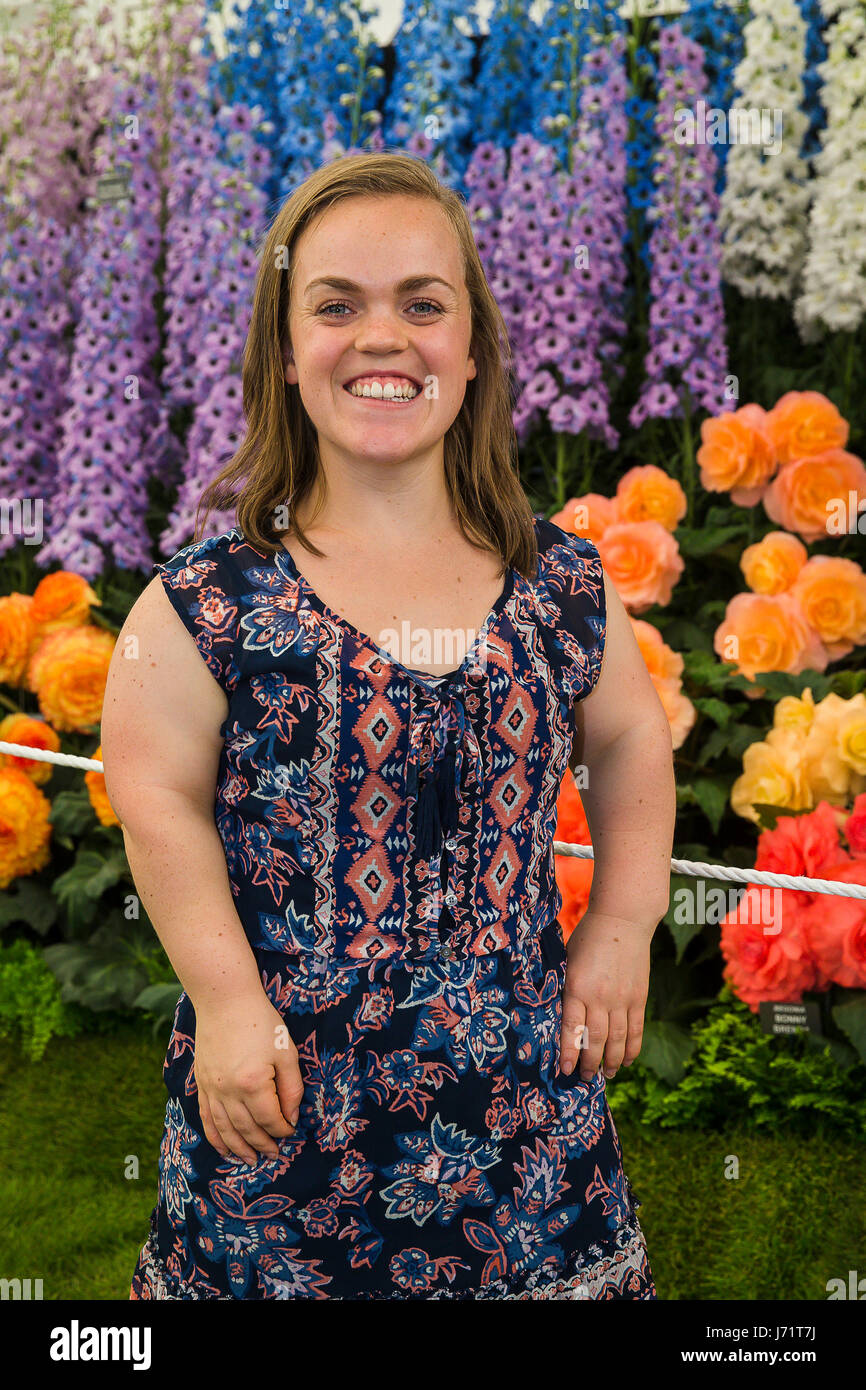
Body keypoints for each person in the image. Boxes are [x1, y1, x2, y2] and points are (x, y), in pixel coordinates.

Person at [103, 151, 675, 1301]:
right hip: (282, 1103)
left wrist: (621, 919)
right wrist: (221, 999)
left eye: (422, 303)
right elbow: (153, 790)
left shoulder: (558, 579)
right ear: (283, 351)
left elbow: (624, 740)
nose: (382, 337)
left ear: (470, 351)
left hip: (521, 1106)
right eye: (335, 305)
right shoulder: (208, 599)